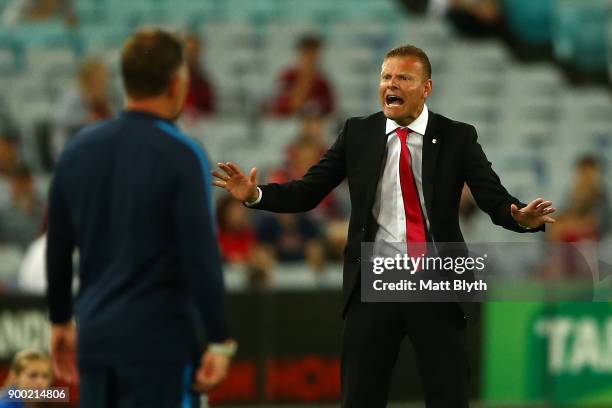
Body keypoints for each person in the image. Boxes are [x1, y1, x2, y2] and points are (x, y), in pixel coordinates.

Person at [213, 44, 556, 407]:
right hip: (374, 282)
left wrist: (519, 216)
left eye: (403, 78)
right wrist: (256, 195)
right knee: (361, 397)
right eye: (386, 77)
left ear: (426, 88)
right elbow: (308, 191)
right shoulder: (358, 133)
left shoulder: (458, 136)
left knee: (449, 397)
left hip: (436, 281)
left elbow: (492, 197)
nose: (391, 84)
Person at [46, 27, 236, 408]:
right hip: (160, 344)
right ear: (176, 82)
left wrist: (60, 321)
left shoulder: (77, 150)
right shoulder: (183, 153)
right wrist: (218, 337)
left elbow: (58, 245)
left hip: (96, 340)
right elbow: (200, 255)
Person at [51, 57, 115, 161]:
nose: (104, 83)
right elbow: (60, 120)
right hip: (73, 153)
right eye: (99, 79)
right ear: (87, 80)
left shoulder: (107, 99)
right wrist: (86, 119)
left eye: (104, 79)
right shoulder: (71, 98)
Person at [269, 35, 335, 117]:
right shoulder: (287, 77)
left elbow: (330, 113)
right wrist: (305, 78)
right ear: (300, 53)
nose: (311, 58)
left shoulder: (322, 82)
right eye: (307, 53)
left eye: (314, 54)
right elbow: (290, 108)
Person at [183, 33, 216, 116]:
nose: (191, 54)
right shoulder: (170, 81)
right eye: (188, 50)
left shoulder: (203, 83)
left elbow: (209, 112)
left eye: (194, 50)